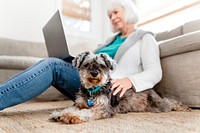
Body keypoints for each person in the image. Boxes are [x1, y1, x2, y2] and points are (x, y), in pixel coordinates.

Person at [0, 0, 162, 110]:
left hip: (108, 88)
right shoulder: (109, 41)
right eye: (109, 15)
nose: (112, 17)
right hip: (87, 84)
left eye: (115, 12)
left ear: (129, 10)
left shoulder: (144, 37)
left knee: (52, 65)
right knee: (54, 63)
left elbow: (155, 71)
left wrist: (130, 80)